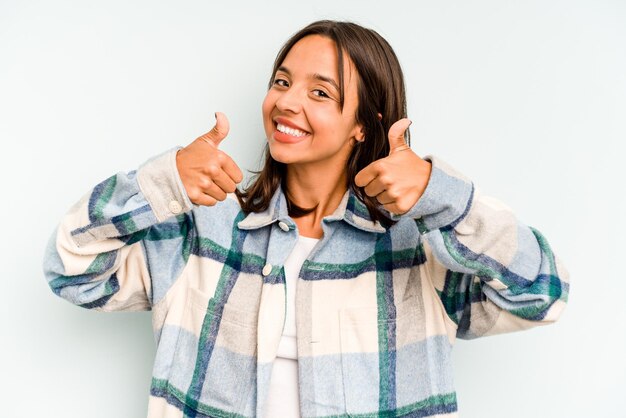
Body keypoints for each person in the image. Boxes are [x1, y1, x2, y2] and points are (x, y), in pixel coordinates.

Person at [43, 19, 570, 418]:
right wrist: (165, 182)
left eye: (321, 92)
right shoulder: (203, 229)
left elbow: (542, 292)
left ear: (365, 125)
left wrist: (443, 196)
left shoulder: (420, 247)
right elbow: (71, 270)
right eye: (281, 81)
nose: (287, 103)